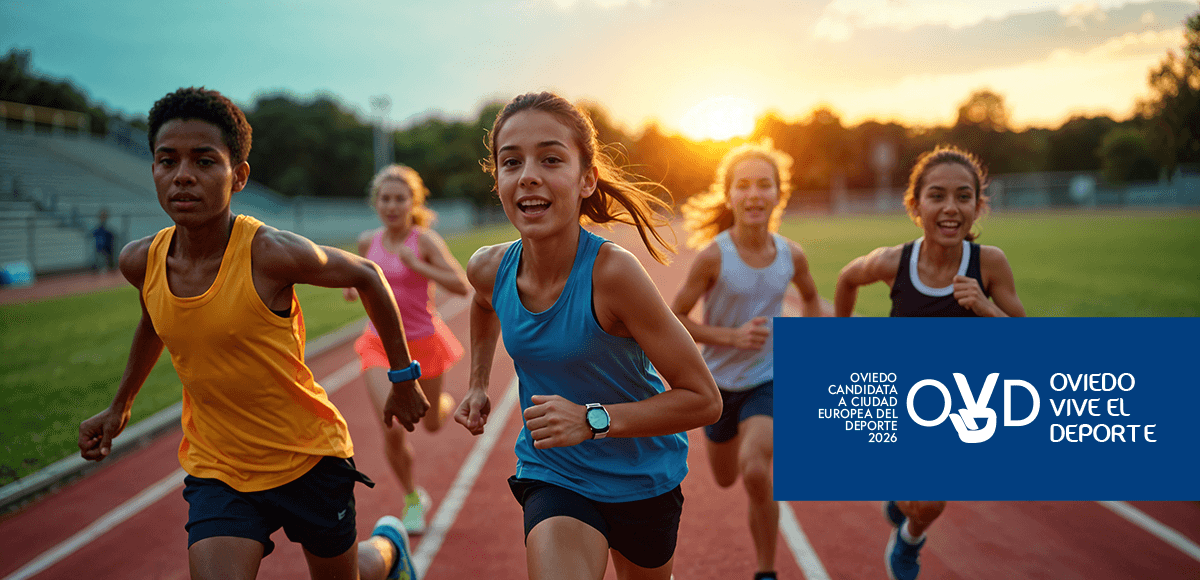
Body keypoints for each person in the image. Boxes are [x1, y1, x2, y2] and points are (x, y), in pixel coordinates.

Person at [77, 87, 427, 580]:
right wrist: (120, 406)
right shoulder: (141, 261)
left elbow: (367, 274)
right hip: (219, 467)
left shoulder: (270, 253)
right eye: (166, 160)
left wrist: (404, 377)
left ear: (238, 175)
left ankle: (389, 551)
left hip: (309, 457)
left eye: (204, 161)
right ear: (153, 169)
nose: (183, 175)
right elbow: (154, 321)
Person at [454, 91, 722, 580]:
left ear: (586, 179)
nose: (529, 173)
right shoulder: (488, 268)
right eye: (511, 162)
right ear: (499, 181)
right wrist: (476, 382)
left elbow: (704, 400)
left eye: (550, 158)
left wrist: (592, 419)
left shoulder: (614, 275)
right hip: (554, 472)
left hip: (643, 478)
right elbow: (482, 301)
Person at [834, 145, 1025, 580]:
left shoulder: (989, 264)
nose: (951, 207)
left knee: (929, 503)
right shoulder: (894, 261)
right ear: (915, 205)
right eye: (937, 195)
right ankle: (906, 517)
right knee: (923, 498)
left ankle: (908, 535)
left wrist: (986, 309)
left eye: (964, 196)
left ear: (978, 206)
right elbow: (847, 278)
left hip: (957, 403)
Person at [671, 141, 827, 580]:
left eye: (764, 185)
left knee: (756, 469)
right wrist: (729, 337)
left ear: (779, 194)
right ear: (729, 195)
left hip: (769, 378)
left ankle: (766, 571)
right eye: (744, 186)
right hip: (717, 384)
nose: (754, 195)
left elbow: (814, 300)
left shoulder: (791, 255)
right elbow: (674, 319)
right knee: (725, 478)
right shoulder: (713, 257)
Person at [344, 163, 470, 534]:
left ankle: (442, 405)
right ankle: (413, 498)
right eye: (385, 198)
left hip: (424, 343)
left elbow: (461, 285)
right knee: (394, 426)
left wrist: (419, 266)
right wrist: (352, 287)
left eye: (400, 198)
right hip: (379, 344)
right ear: (376, 202)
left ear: (412, 202)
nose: (392, 205)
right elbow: (359, 277)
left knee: (429, 423)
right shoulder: (368, 240)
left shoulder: (425, 240)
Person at [92, 208, 116, 272]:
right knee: (100, 261)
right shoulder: (99, 228)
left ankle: (108, 268)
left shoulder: (108, 229)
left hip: (108, 247)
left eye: (104, 215)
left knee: (108, 263)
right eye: (102, 215)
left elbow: (112, 235)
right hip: (100, 247)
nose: (103, 217)